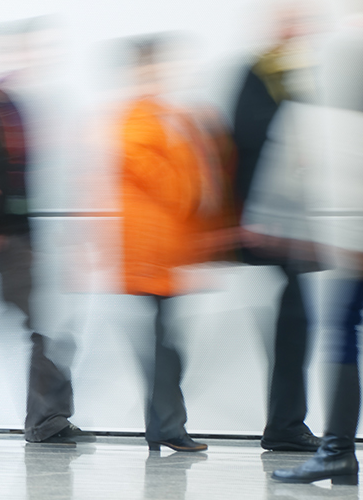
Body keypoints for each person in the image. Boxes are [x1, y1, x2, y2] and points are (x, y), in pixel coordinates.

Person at [271, 0, 363, 485]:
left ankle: (338, 451)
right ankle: (338, 450)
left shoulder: (360, 45)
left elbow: (353, 144)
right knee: (343, 328)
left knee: (342, 331)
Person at [0, 21, 89, 445]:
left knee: (49, 328)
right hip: (9, 239)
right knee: (48, 329)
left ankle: (48, 419)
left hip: (24, 236)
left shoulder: (15, 106)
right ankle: (46, 421)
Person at [113, 37, 227, 454]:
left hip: (167, 248)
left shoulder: (168, 116)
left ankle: (162, 425)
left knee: (166, 342)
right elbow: (168, 181)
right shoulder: (140, 118)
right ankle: (166, 426)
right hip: (150, 250)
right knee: (164, 345)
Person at [228, 2, 323, 453]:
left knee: (296, 324)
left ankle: (286, 424)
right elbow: (248, 140)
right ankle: (285, 426)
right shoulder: (262, 75)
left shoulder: (296, 76)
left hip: (292, 224)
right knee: (293, 324)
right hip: (272, 224)